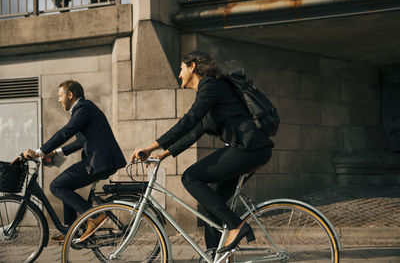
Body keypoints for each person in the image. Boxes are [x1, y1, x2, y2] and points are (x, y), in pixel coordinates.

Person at [131, 51, 274, 254]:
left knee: (190, 177)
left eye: (181, 69)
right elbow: (195, 130)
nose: (179, 75)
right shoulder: (211, 93)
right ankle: (213, 254)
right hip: (252, 148)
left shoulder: (211, 86)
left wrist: (150, 146)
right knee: (212, 205)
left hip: (248, 147)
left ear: (193, 66)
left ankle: (237, 226)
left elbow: (188, 120)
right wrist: (163, 154)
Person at [24, 80, 126, 242]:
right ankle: (72, 230)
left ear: (70, 95)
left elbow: (66, 132)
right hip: (100, 160)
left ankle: (96, 216)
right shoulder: (84, 109)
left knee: (56, 185)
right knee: (65, 185)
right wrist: (55, 152)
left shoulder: (83, 108)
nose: (58, 100)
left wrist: (38, 152)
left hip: (99, 161)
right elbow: (80, 141)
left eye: (60, 96)